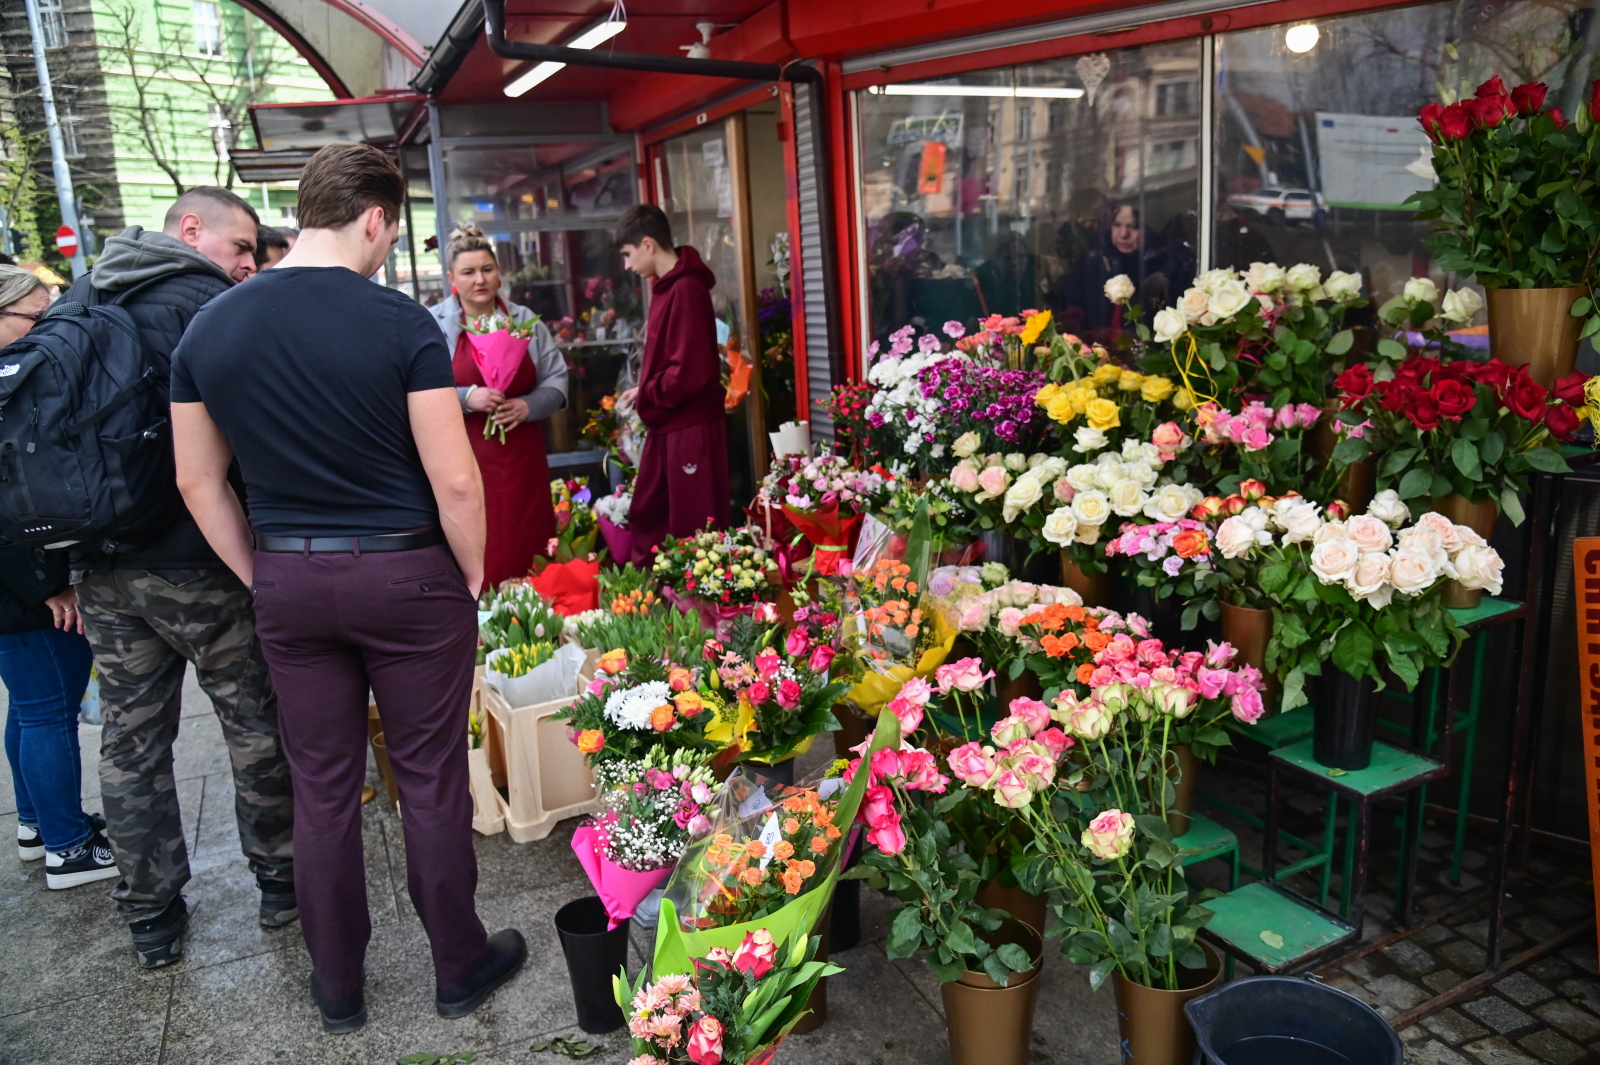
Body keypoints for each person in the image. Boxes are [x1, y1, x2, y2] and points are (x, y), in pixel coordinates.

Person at [170, 142, 523, 1034]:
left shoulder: (209, 328)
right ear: (374, 218)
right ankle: (457, 964)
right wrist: (474, 568)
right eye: (390, 231)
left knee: (321, 785)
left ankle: (337, 986)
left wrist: (262, 570)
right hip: (407, 573)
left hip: (290, 573)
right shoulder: (401, 323)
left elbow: (196, 480)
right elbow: (454, 480)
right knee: (431, 778)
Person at [60, 188, 295, 970]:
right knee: (252, 722)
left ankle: (152, 914)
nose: (247, 265)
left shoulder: (83, 295)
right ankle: (280, 880)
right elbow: (257, 432)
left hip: (104, 566)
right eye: (241, 247)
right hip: (203, 559)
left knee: (130, 740)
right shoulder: (205, 305)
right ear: (190, 230)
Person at [0, 265, 114, 890]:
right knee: (48, 710)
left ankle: (41, 823)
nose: (48, 334)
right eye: (36, 320)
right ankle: (67, 847)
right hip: (26, 594)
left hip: (21, 590)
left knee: (30, 708)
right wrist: (50, 586)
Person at [429, 222, 567, 586]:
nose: (480, 279)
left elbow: (557, 380)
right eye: (468, 272)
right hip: (464, 458)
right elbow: (417, 392)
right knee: (476, 544)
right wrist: (465, 397)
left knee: (528, 541)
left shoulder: (525, 321)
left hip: (523, 457)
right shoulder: (433, 325)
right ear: (451, 279)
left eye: (487, 269)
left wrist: (528, 406)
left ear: (499, 273)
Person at [615, 204, 729, 565]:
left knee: (692, 524)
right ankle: (664, 599)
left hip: (688, 427)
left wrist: (649, 390)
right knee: (653, 511)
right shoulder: (666, 287)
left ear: (648, 244)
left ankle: (696, 608)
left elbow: (691, 373)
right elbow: (677, 362)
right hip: (671, 422)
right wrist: (644, 388)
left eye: (628, 255)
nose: (628, 266)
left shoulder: (686, 289)